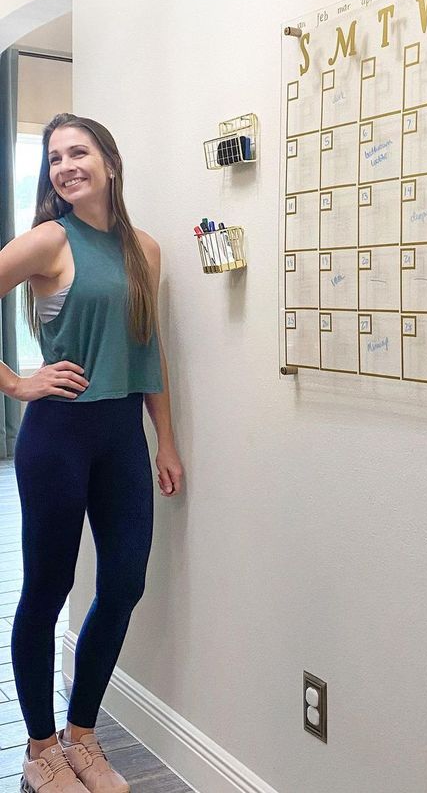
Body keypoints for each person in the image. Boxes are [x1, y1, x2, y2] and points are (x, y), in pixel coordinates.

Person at [0, 112, 184, 793]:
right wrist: (19, 381)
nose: (65, 166)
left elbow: (148, 346)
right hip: (58, 438)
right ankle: (40, 750)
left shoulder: (145, 249)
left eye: (78, 152)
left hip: (120, 439)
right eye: (54, 158)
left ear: (109, 161)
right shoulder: (49, 240)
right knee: (48, 590)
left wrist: (164, 438)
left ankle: (82, 735)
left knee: (125, 583)